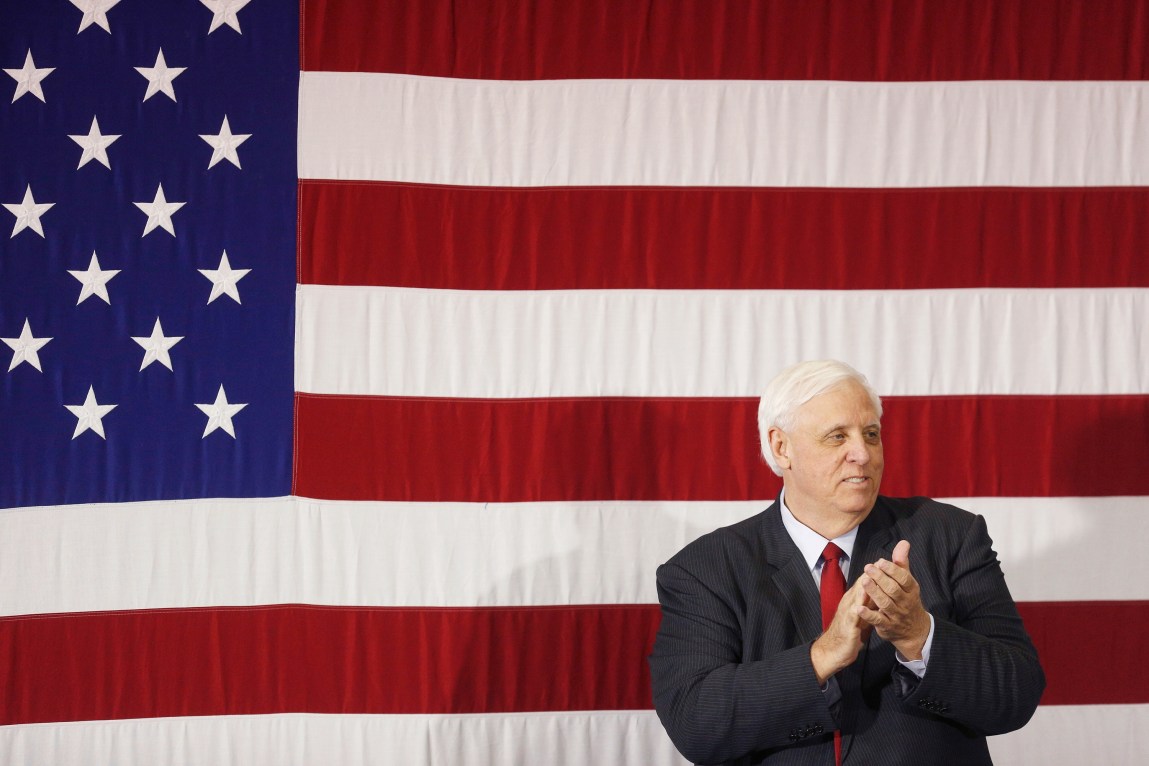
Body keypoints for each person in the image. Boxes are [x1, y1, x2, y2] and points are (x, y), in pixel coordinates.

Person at [649, 360, 1044, 765]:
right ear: (782, 448)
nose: (863, 453)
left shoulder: (951, 536)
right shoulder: (705, 569)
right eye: (837, 436)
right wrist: (823, 655)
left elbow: (1017, 695)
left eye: (871, 434)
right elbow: (695, 723)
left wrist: (918, 635)